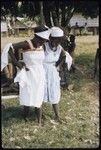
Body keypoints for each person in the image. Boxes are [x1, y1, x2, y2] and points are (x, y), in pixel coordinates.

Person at [1, 25, 50, 125]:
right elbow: (9, 47)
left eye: (44, 41)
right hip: (28, 74)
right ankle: (25, 116)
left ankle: (39, 121)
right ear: (36, 36)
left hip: (39, 74)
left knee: (38, 95)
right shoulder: (26, 44)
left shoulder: (42, 45)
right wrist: (18, 63)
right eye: (41, 40)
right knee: (28, 94)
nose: (42, 43)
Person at [43, 27, 72, 122]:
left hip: (53, 72)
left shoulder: (59, 48)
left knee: (54, 91)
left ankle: (57, 116)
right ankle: (40, 114)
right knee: (42, 92)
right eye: (57, 39)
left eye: (60, 40)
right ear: (51, 38)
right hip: (43, 71)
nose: (59, 42)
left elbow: (64, 55)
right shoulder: (44, 46)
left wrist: (58, 65)